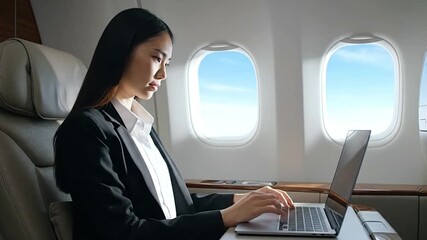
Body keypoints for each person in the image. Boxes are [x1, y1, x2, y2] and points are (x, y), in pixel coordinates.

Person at [54, 8, 294, 240]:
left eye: (167, 63)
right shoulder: (84, 131)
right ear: (122, 50)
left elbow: (177, 205)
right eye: (157, 58)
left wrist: (238, 201)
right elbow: (122, 231)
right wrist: (225, 217)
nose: (162, 75)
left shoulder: (141, 126)